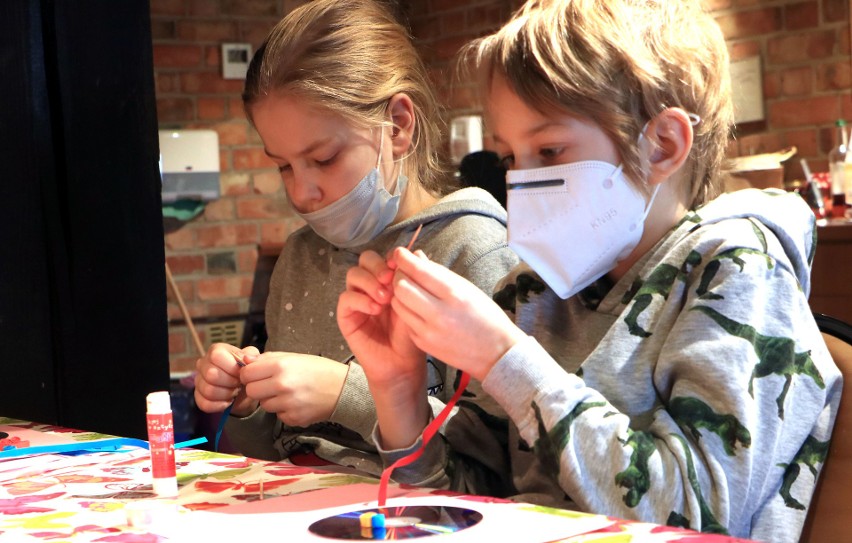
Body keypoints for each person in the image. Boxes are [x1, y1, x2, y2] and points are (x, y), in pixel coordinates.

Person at [336, 0, 842, 540]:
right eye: (510, 158)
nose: (521, 185)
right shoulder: (532, 292)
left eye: (549, 150)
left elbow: (698, 519)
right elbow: (460, 513)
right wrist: (398, 391)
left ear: (663, 145)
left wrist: (505, 360)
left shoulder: (739, 273)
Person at [193, 0, 518, 475]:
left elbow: (497, 472)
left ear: (398, 126)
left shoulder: (473, 251)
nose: (302, 192)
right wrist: (249, 403)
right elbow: (267, 463)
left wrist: (348, 395)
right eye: (283, 165)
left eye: (323, 158)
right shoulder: (301, 257)